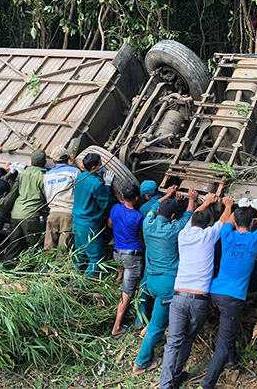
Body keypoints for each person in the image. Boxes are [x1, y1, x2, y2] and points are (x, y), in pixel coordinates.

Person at [159, 195, 233, 389]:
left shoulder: (183, 235)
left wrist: (206, 202)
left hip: (179, 297)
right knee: (188, 338)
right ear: (207, 225)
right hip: (199, 300)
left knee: (173, 342)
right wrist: (229, 205)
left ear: (191, 223)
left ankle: (166, 384)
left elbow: (191, 215)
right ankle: (176, 374)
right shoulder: (209, 235)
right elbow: (224, 220)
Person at [199, 201, 257, 389]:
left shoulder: (226, 235)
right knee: (222, 343)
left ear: (234, 222)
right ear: (252, 224)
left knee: (227, 332)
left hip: (214, 292)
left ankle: (232, 359)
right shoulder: (255, 239)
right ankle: (207, 384)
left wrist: (233, 207)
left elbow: (226, 219)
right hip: (232, 299)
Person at [133, 187, 196, 375]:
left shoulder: (148, 223)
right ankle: (141, 363)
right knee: (158, 327)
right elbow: (189, 216)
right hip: (167, 284)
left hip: (151, 280)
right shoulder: (174, 229)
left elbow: (155, 208)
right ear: (173, 216)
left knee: (160, 316)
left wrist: (167, 196)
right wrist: (192, 199)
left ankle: (147, 330)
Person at [108, 184, 144, 338]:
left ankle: (110, 303)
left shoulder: (115, 208)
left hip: (117, 253)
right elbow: (143, 234)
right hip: (131, 256)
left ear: (122, 195)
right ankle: (116, 328)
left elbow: (110, 224)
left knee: (120, 277)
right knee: (127, 293)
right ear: (137, 199)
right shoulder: (137, 216)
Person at [71, 152, 113, 277]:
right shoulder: (96, 183)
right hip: (88, 225)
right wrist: (107, 186)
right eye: (100, 165)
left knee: (79, 256)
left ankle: (73, 283)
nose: (102, 166)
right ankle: (81, 287)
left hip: (77, 222)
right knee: (96, 260)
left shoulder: (80, 177)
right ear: (94, 168)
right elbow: (105, 203)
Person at [4, 150, 47, 260]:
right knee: (34, 245)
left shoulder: (23, 173)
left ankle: (7, 266)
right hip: (30, 216)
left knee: (14, 243)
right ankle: (30, 268)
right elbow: (47, 196)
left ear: (31, 161)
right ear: (45, 162)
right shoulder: (43, 177)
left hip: (16, 213)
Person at [43, 145, 80, 251]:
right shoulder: (75, 172)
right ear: (69, 158)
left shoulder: (47, 176)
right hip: (68, 214)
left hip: (52, 213)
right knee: (63, 250)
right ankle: (61, 267)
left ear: (54, 161)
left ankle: (47, 267)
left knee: (49, 248)